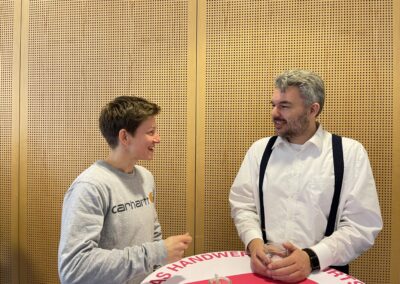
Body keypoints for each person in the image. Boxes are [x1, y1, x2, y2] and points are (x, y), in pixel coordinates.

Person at [229, 69, 382, 283]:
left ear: (312, 110)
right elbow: (243, 205)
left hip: (322, 273)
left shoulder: (349, 153)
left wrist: (312, 257)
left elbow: (362, 225)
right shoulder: (259, 150)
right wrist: (254, 243)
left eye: (284, 106)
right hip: (265, 272)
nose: (274, 113)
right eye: (273, 105)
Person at [58, 96, 192, 284]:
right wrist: (157, 253)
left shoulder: (146, 177)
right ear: (124, 137)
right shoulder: (89, 187)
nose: (158, 139)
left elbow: (153, 233)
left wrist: (160, 263)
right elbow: (74, 269)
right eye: (151, 132)